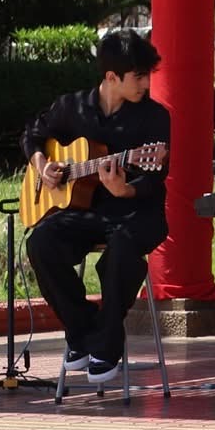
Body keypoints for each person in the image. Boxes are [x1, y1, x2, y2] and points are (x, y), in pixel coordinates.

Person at [22, 30, 170, 384]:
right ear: (111, 77)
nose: (146, 84)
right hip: (83, 212)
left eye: (149, 74)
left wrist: (124, 190)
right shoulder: (71, 108)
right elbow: (32, 135)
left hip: (136, 213)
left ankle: (102, 341)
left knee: (121, 251)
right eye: (138, 76)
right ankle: (83, 329)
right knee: (40, 242)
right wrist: (43, 166)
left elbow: (155, 176)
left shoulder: (154, 117)